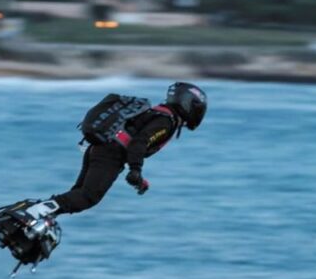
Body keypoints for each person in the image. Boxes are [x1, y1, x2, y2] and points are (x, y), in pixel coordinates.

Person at [19, 82, 207, 219]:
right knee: (88, 197)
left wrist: (138, 175)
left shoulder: (159, 112)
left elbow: (136, 139)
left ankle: (41, 216)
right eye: (198, 108)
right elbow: (139, 142)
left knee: (79, 193)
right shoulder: (166, 121)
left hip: (101, 147)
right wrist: (135, 170)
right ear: (188, 104)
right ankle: (36, 212)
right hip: (111, 153)